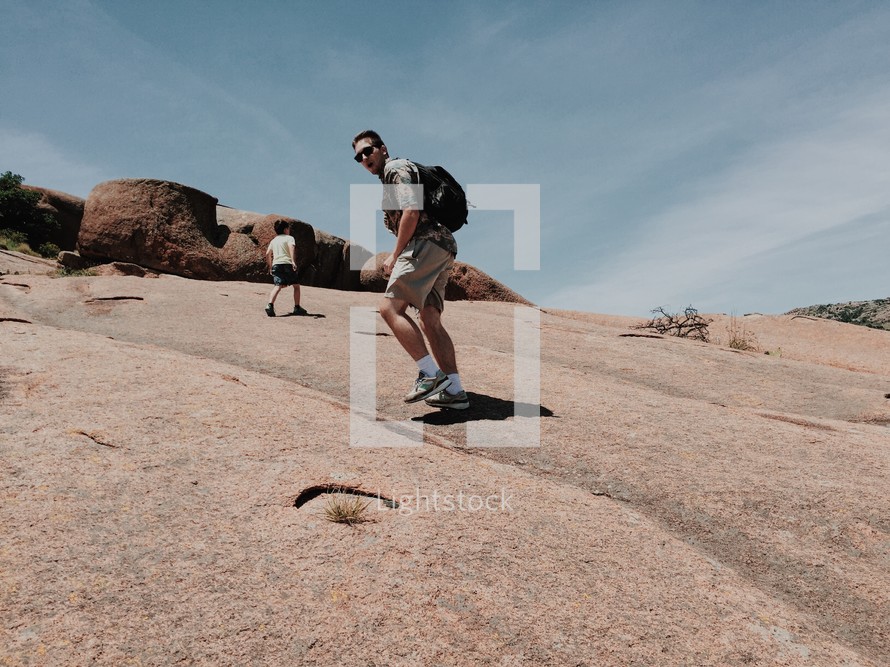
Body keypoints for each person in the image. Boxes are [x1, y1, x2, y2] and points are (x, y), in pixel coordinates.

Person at [352, 129, 469, 409]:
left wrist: (395, 254)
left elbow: (411, 211)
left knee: (389, 309)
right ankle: (455, 390)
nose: (364, 157)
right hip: (442, 246)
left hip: (424, 244)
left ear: (383, 148)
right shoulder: (391, 175)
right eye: (358, 156)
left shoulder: (395, 169)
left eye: (368, 150)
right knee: (430, 319)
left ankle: (430, 375)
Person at [265, 219, 308, 317]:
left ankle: (270, 305)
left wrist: (270, 266)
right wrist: (293, 261)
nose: (289, 230)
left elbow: (268, 254)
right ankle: (297, 307)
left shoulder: (274, 240)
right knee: (296, 285)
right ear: (285, 229)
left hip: (276, 264)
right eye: (288, 228)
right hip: (287, 263)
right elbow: (291, 248)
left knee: (277, 286)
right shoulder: (289, 238)